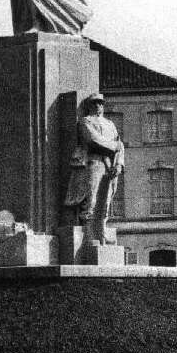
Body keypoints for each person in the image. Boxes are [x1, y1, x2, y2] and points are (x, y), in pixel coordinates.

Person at [64, 93, 124, 244]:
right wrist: (114, 146)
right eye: (94, 103)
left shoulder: (110, 124)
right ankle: (89, 234)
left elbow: (120, 145)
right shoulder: (85, 121)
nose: (98, 106)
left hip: (110, 165)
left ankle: (102, 233)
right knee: (92, 198)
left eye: (100, 103)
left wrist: (119, 164)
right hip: (94, 162)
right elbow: (93, 139)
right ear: (89, 106)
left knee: (106, 200)